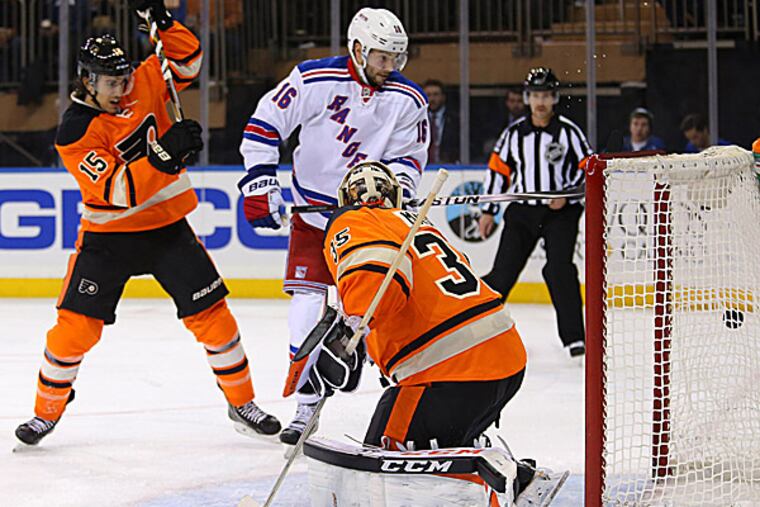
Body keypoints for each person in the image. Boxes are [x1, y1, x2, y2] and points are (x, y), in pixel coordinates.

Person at [14, 0, 280, 446]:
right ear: (87, 80)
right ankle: (46, 412)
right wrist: (166, 153)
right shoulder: (76, 130)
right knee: (74, 332)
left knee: (215, 320)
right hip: (107, 240)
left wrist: (165, 22)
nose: (122, 88)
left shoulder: (146, 78)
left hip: (166, 229)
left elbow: (189, 60)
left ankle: (242, 402)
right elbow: (118, 190)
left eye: (124, 79)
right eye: (111, 82)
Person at [238, 7, 429, 445]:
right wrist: (260, 181)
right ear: (358, 49)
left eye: (397, 59)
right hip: (313, 215)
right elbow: (265, 125)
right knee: (305, 306)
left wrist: (395, 187)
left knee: (376, 311)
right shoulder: (312, 79)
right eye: (383, 57)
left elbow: (410, 158)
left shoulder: (408, 98)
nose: (391, 68)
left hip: (369, 221)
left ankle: (404, 400)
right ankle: (306, 406)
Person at [309, 160, 526, 454]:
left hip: (451, 370)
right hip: (506, 356)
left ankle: (469, 480)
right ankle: (473, 457)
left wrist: (350, 330)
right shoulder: (417, 222)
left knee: (383, 456)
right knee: (437, 437)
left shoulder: (354, 221)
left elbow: (378, 278)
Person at [478, 67, 590, 358]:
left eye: (546, 95)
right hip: (523, 212)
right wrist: (488, 211)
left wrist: (565, 196)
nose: (541, 101)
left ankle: (575, 338)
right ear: (528, 98)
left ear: (554, 98)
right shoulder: (514, 134)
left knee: (559, 269)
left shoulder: (569, 132)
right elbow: (497, 171)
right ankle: (476, 330)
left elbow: (588, 171)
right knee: (502, 274)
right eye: (535, 95)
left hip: (560, 214)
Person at [422, 79, 460, 163]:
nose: (432, 99)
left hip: (450, 167)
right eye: (428, 95)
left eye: (436, 94)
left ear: (443, 97)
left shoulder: (456, 120)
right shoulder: (417, 119)